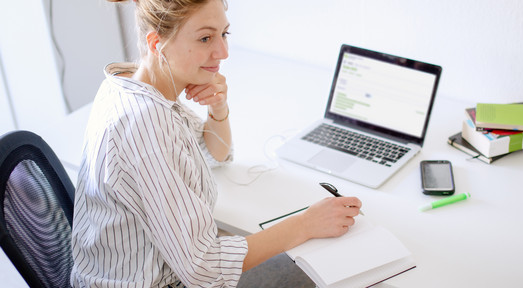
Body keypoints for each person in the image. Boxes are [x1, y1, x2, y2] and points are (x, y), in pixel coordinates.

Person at [70, 0, 362, 287]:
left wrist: (218, 107)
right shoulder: (146, 124)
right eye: (205, 38)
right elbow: (204, 269)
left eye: (224, 34)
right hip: (161, 280)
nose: (222, 52)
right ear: (157, 43)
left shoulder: (131, 84)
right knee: (327, 274)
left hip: (155, 267)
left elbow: (215, 154)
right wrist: (306, 223)